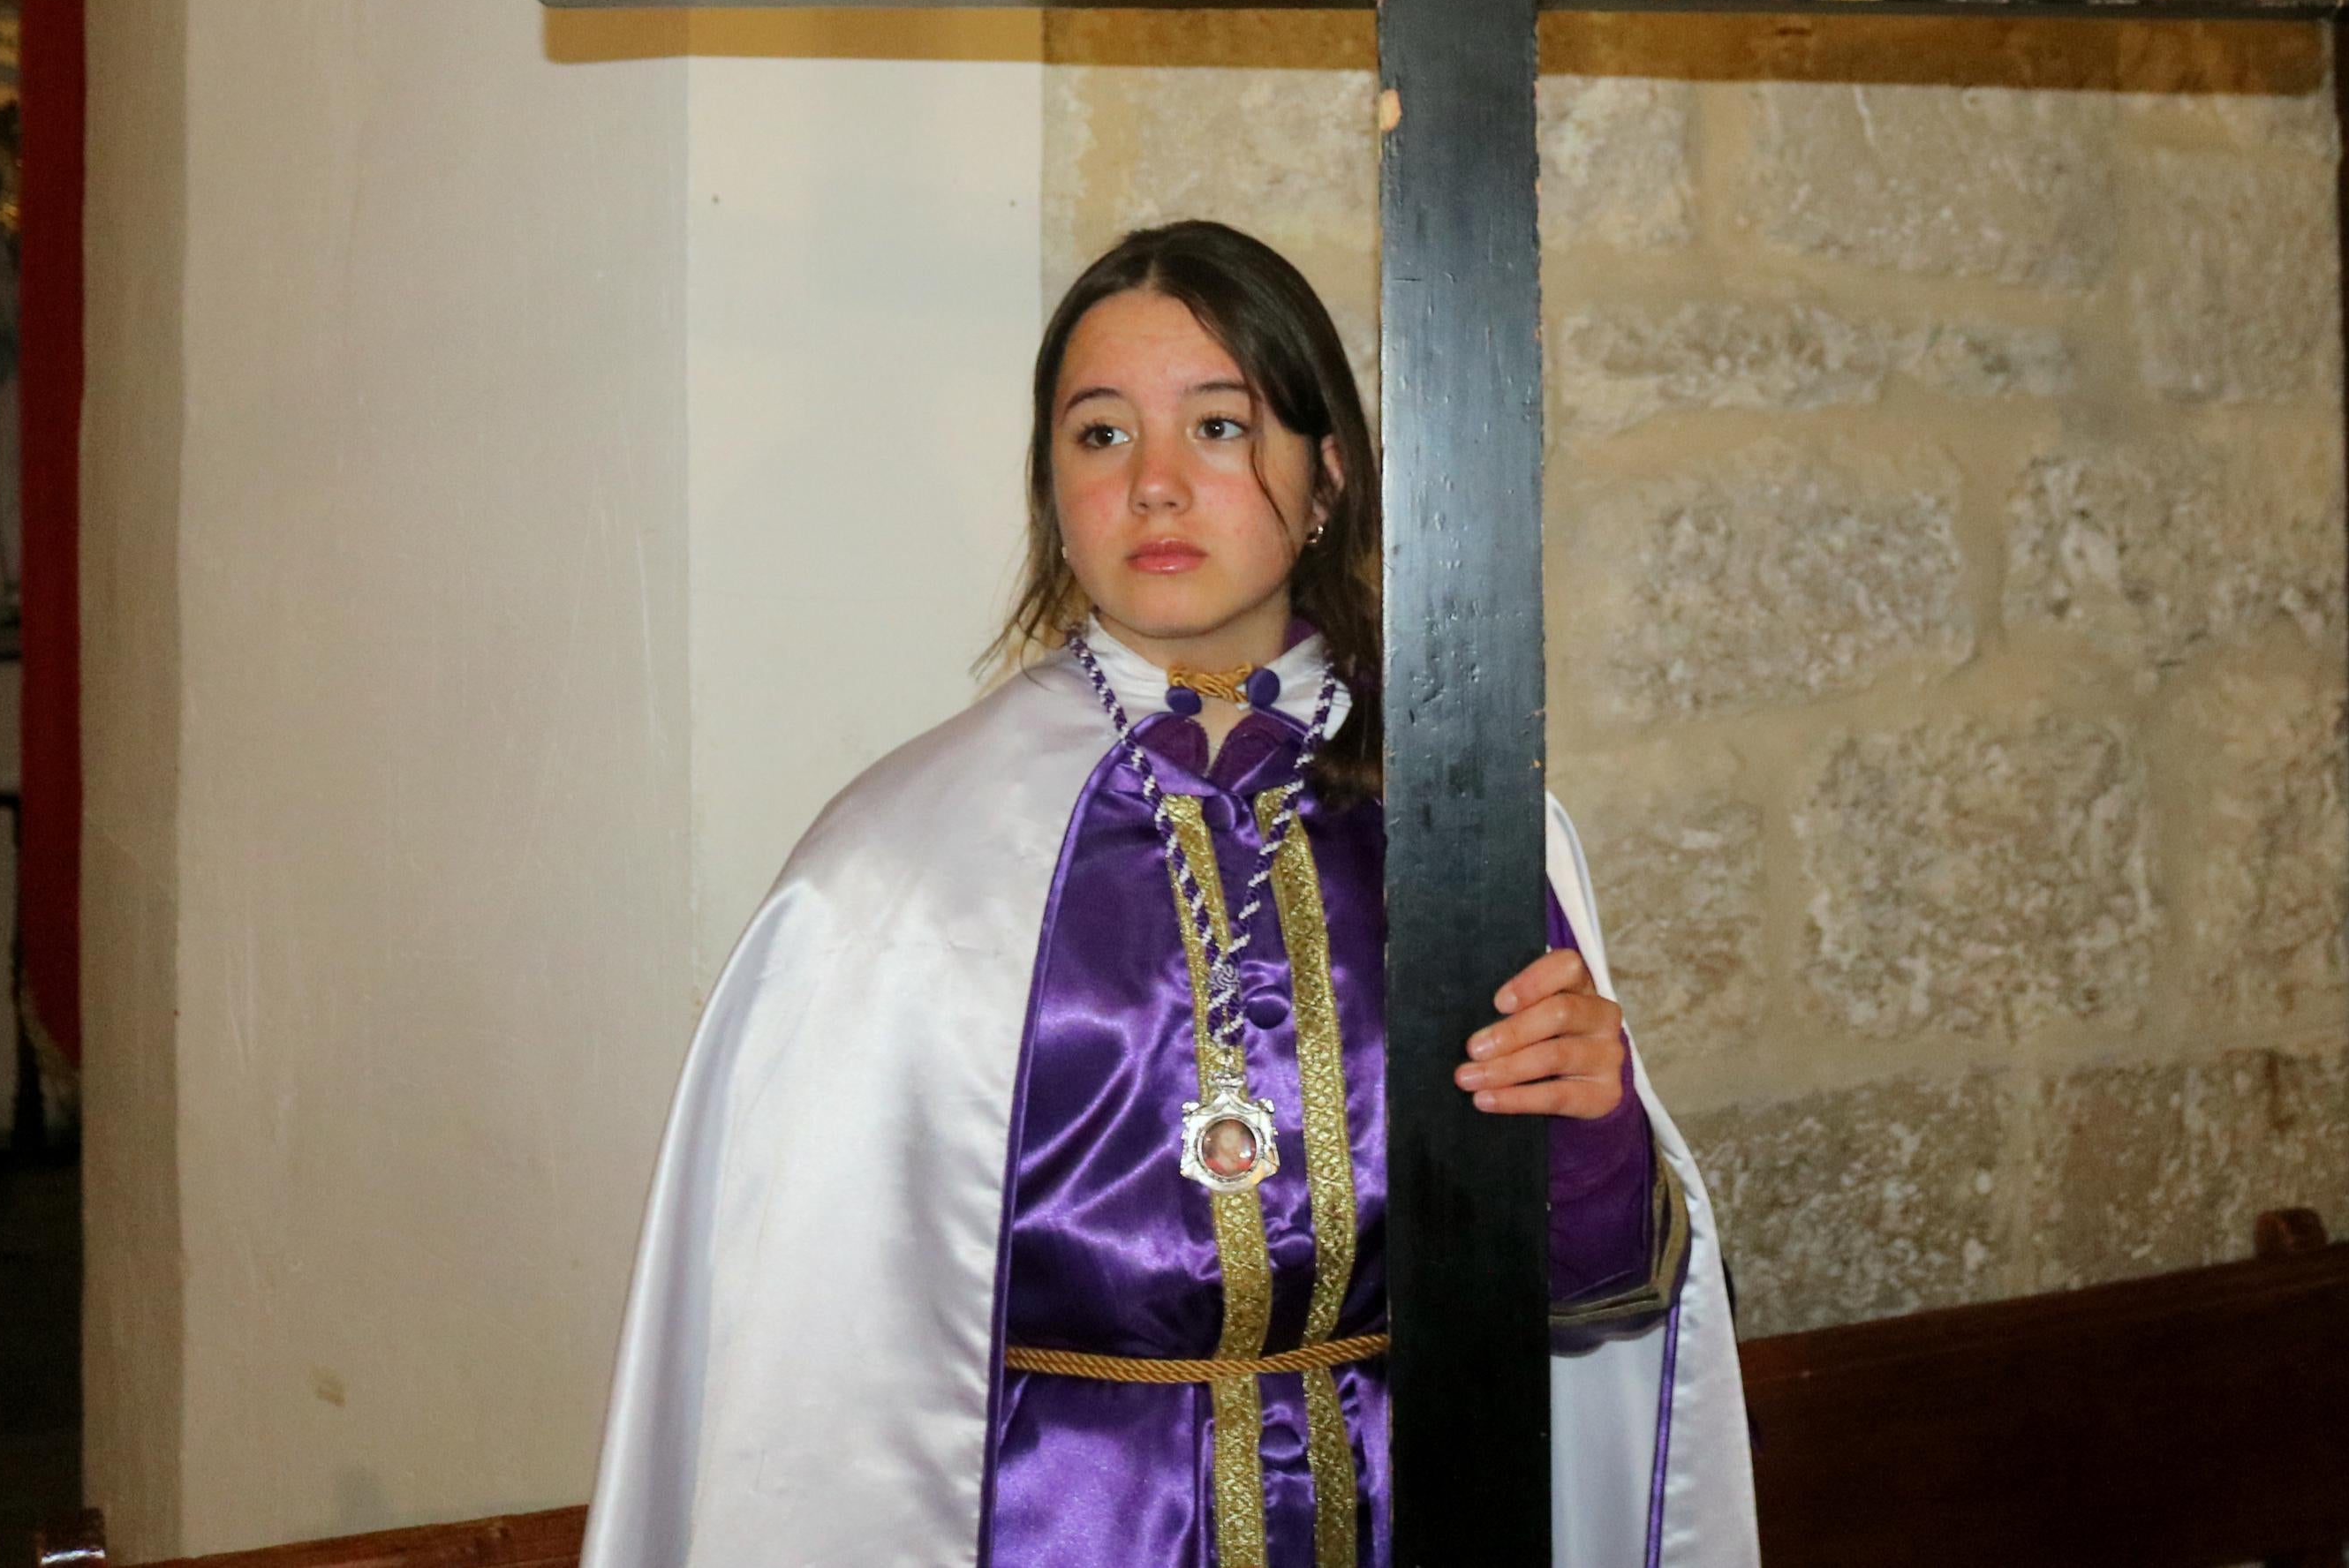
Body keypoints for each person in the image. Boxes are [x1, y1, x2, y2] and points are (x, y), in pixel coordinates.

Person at [581, 221, 1754, 1568]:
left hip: (1398, 1516)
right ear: (1050, 491)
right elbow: (801, 1388)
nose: (1151, 486)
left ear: (1331, 475)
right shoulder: (897, 876)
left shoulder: (1458, 818)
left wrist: (1591, 1128)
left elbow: (1594, 1290)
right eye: (1098, 436)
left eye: (1216, 426)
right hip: (1054, 1532)